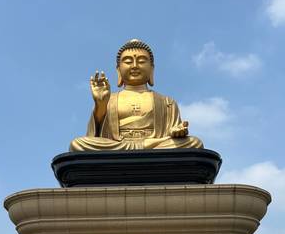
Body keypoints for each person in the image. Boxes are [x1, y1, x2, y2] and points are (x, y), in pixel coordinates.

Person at [70, 39, 203, 151]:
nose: (134, 66)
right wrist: (100, 105)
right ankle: (144, 148)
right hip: (118, 145)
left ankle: (146, 148)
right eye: (128, 61)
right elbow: (95, 136)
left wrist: (177, 131)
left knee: (194, 143)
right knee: (78, 144)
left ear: (151, 69)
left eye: (141, 61)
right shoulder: (109, 99)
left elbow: (174, 131)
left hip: (157, 144)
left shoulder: (166, 102)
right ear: (118, 70)